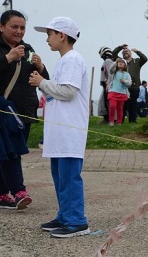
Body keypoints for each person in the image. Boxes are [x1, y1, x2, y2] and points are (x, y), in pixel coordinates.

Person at [30, 16, 90, 238]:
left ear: (62, 36)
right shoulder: (64, 60)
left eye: (49, 34)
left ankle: (77, 221)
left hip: (69, 130)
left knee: (69, 176)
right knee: (60, 175)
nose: (47, 39)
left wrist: (42, 83)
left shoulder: (72, 59)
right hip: (60, 131)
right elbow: (58, 92)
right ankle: (65, 215)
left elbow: (68, 91)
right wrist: (43, 84)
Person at [0, 10, 49, 210]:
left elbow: (43, 80)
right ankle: (19, 191)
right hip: (4, 110)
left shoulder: (27, 50)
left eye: (22, 27)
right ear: (1, 26)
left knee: (10, 152)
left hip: (25, 110)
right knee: (10, 152)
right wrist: (8, 58)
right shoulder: (7, 51)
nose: (19, 31)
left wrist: (42, 67)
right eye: (14, 26)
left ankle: (2, 194)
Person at [112, 44, 147, 123]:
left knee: (133, 105)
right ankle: (121, 121)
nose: (125, 53)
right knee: (122, 105)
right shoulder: (120, 61)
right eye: (123, 52)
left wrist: (137, 51)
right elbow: (113, 54)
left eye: (127, 51)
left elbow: (145, 59)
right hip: (122, 87)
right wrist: (120, 47)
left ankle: (132, 121)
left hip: (134, 87)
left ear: (130, 53)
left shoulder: (137, 61)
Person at [107, 58, 132, 126]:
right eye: (119, 62)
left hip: (122, 93)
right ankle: (111, 120)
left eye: (122, 62)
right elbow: (110, 69)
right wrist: (116, 61)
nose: (120, 63)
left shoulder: (127, 74)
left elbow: (130, 83)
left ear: (125, 65)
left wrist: (124, 81)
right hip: (113, 92)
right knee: (112, 106)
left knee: (120, 108)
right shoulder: (114, 72)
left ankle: (119, 122)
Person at [97, 46, 114, 123]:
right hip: (105, 85)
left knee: (105, 102)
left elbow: (110, 74)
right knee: (102, 102)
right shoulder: (107, 61)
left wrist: (108, 84)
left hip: (107, 85)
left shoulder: (108, 61)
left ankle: (107, 119)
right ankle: (106, 118)